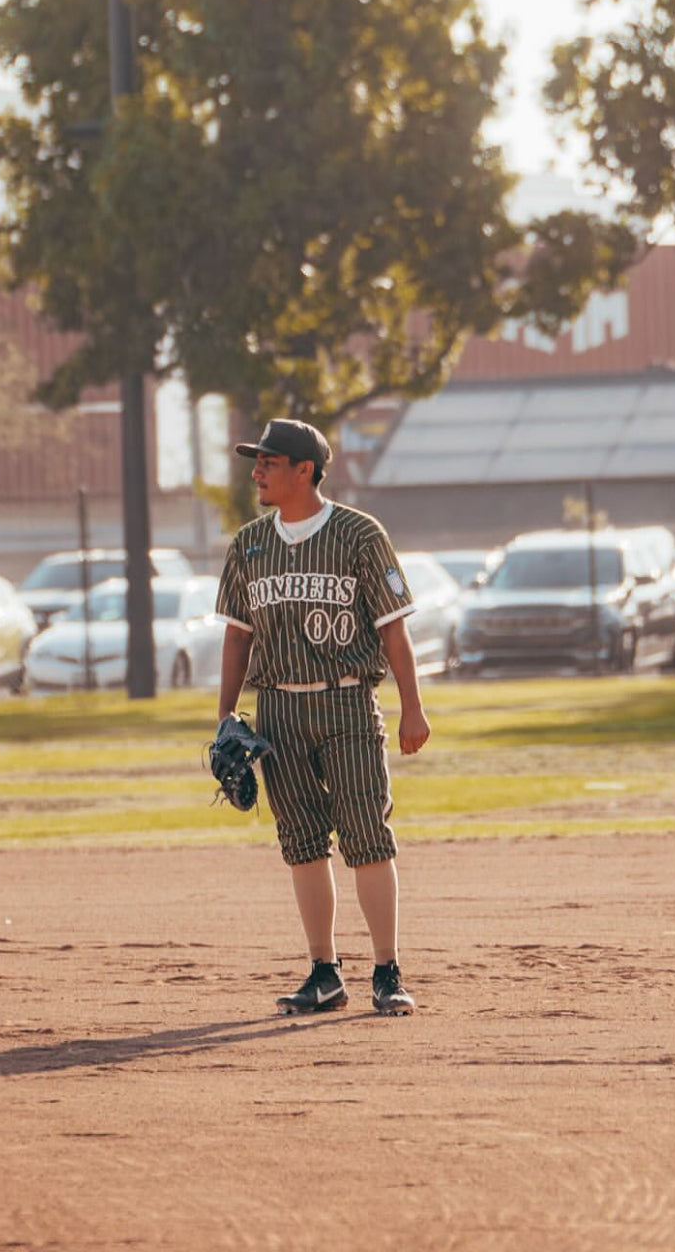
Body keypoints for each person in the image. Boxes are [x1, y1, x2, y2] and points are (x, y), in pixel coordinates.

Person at [215, 418, 430, 1016]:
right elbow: (237, 636)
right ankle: (323, 971)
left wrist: (413, 707)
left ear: (304, 469)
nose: (257, 472)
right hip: (277, 708)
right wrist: (226, 715)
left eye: (268, 462)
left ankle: (386, 971)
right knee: (302, 842)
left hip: (347, 701)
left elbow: (393, 628)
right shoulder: (248, 544)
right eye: (256, 462)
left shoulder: (359, 534)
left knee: (367, 835)